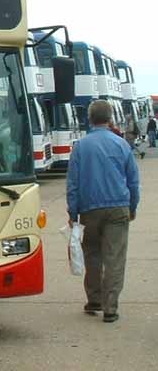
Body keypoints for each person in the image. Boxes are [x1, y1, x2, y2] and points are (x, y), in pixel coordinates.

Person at [67, 99, 140, 323]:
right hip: (118, 207)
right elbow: (133, 181)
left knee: (92, 255)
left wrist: (73, 213)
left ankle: (94, 299)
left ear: (90, 119)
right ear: (110, 119)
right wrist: (132, 207)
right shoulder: (121, 144)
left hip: (90, 209)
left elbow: (73, 184)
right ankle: (110, 307)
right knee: (115, 257)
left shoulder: (80, 146)